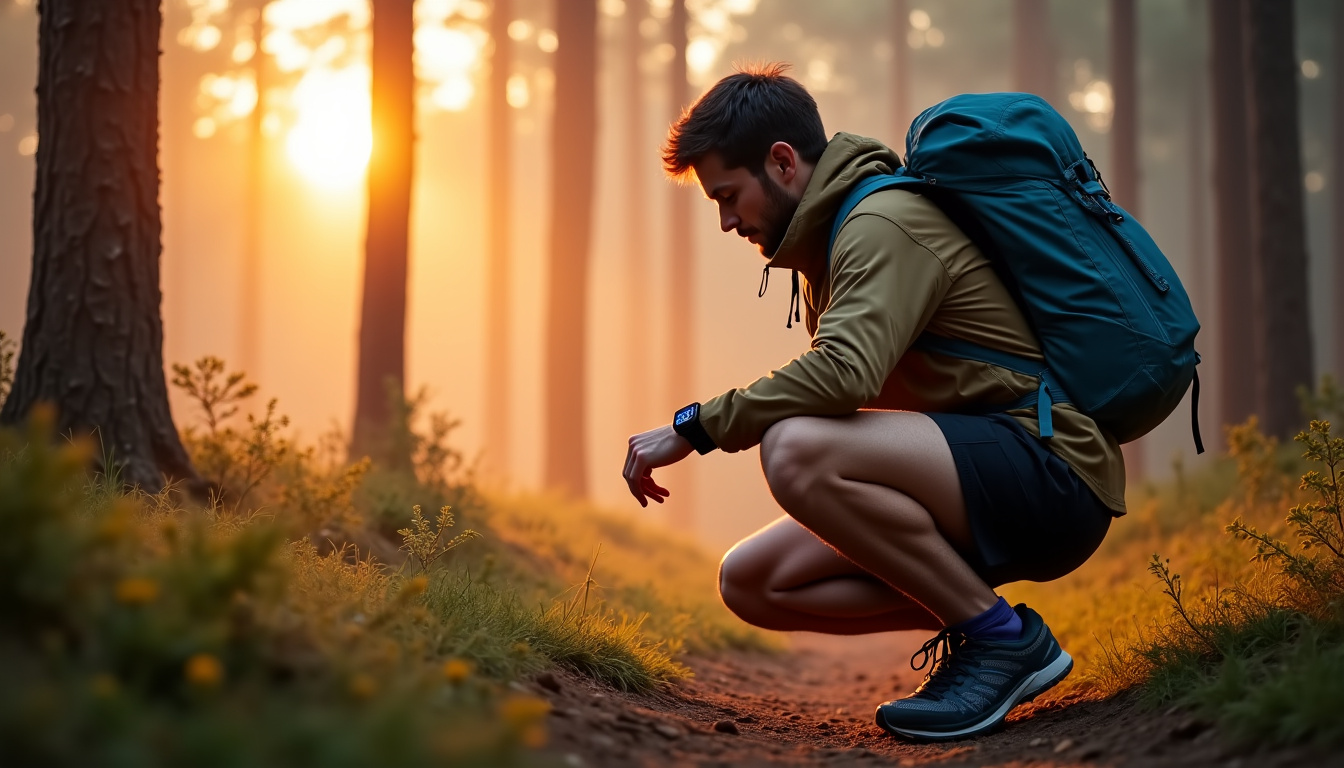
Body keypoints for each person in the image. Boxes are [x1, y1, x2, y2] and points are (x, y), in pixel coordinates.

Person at [620, 63, 1125, 742]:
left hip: (1048, 469)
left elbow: (845, 376)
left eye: (730, 195)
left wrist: (698, 426)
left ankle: (1001, 641)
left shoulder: (881, 222)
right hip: (977, 471)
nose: (726, 219)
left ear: (783, 162)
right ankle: (979, 621)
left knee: (794, 449)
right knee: (751, 580)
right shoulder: (831, 244)